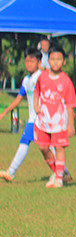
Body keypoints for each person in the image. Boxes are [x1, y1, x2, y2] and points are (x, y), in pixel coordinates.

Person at [0, 49, 57, 182]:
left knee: (40, 145)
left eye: (32, 61)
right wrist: (5, 111)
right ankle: (63, 172)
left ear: (39, 62)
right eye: (27, 61)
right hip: (34, 119)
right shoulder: (26, 80)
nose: (28, 64)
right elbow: (19, 98)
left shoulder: (42, 76)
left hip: (42, 119)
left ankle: (11, 172)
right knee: (44, 146)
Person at [33, 44, 76, 188]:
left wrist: (71, 124)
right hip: (43, 120)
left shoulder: (66, 81)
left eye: (59, 59)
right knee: (43, 147)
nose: (56, 62)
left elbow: (70, 104)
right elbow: (37, 90)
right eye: (52, 59)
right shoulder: (43, 76)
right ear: (48, 61)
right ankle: (58, 172)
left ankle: (58, 179)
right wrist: (36, 104)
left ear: (64, 61)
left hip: (59, 121)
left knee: (59, 148)